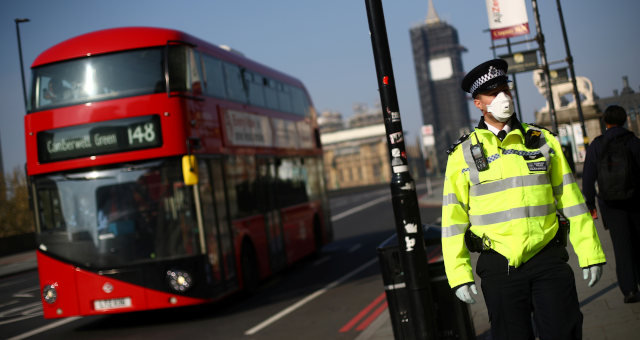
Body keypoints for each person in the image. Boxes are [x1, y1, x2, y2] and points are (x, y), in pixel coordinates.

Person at [441, 59, 606, 340]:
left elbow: (572, 201)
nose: (503, 97)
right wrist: (459, 275)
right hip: (498, 267)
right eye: (493, 93)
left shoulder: (543, 141)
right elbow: (452, 222)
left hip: (548, 261)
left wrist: (590, 254)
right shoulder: (463, 154)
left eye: (506, 88)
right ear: (478, 103)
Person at [582, 105, 640, 304]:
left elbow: (588, 178)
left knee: (621, 247)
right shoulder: (634, 142)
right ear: (624, 120)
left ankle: (630, 290)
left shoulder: (597, 145)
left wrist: (590, 204)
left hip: (611, 205)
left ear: (605, 122)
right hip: (636, 201)